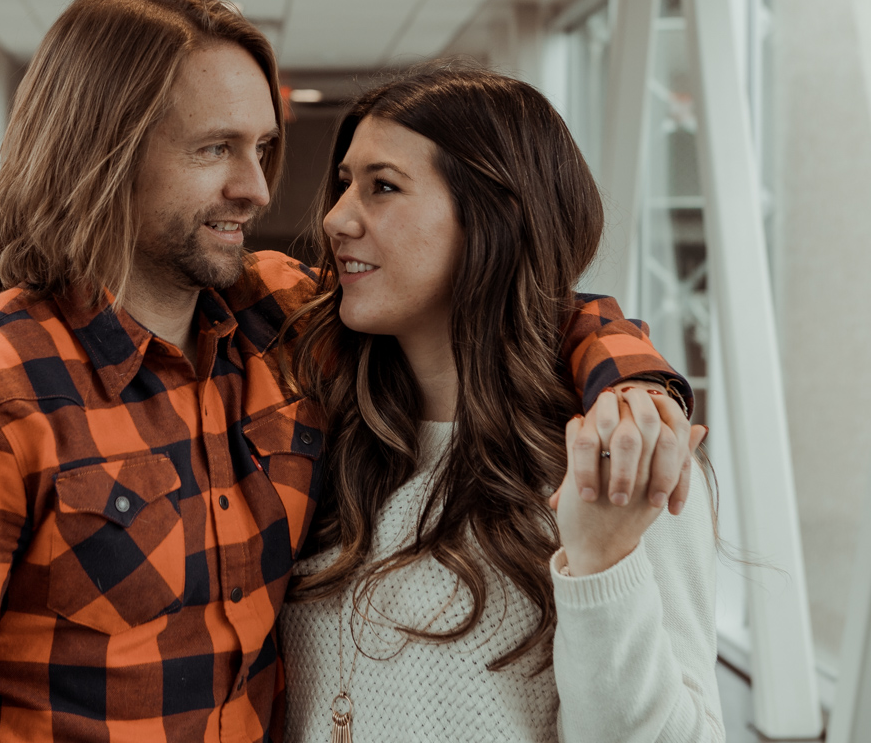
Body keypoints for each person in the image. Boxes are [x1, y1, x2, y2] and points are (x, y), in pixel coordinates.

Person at [0, 0, 695, 743]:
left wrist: (635, 388)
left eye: (261, 147)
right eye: (216, 149)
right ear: (104, 156)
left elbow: (517, 296)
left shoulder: (275, 321)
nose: (260, 189)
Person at [280, 68, 721, 742]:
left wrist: (602, 561)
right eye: (344, 183)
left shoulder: (616, 459)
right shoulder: (322, 430)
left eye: (383, 187)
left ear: (493, 218)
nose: (336, 218)